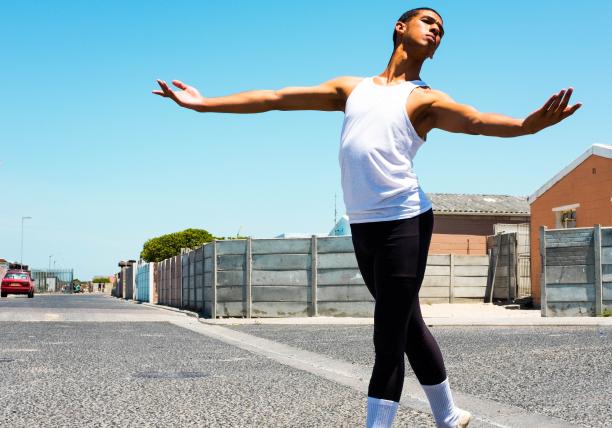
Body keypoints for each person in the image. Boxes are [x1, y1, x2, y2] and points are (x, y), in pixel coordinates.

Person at [154, 7, 580, 428]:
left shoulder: (426, 99)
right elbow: (275, 99)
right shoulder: (351, 89)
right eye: (428, 21)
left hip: (405, 220)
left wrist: (528, 125)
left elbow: (477, 121)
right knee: (408, 324)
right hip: (364, 224)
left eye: (442, 30)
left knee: (387, 335)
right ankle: (447, 415)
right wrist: (204, 104)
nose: (436, 31)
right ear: (400, 28)